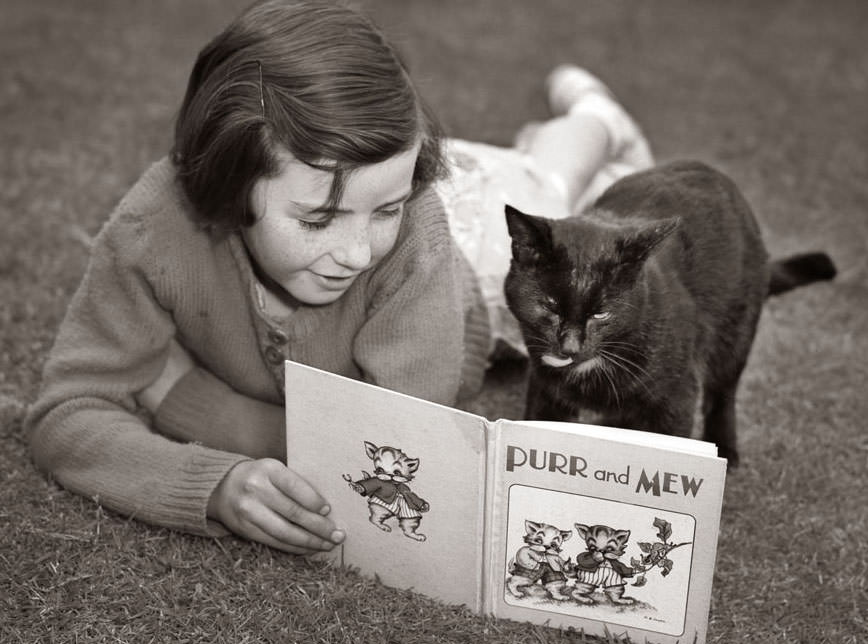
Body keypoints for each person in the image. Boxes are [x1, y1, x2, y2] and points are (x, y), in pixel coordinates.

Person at [25, 0, 652, 556]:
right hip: (384, 177)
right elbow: (68, 411)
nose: (356, 253)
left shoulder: (413, 229)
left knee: (542, 184)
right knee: (484, 175)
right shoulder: (151, 231)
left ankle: (596, 121)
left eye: (385, 212)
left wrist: (190, 404)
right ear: (227, 182)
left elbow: (394, 454)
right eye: (318, 219)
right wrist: (211, 486)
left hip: (479, 255)